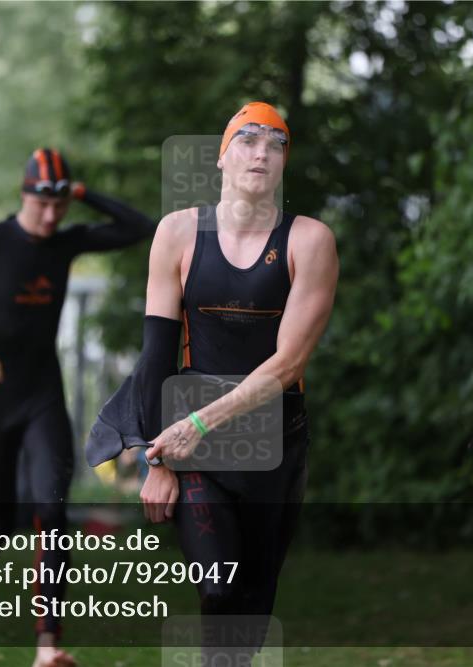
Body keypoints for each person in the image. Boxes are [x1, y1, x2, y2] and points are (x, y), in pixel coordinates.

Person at [0, 148, 155, 667]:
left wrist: (84, 192)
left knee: (51, 510)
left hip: (43, 394)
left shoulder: (65, 243)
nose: (51, 217)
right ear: (23, 194)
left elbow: (139, 226)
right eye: (42, 205)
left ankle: (47, 647)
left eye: (59, 207)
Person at [136, 102, 338, 662]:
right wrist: (157, 459)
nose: (262, 153)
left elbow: (289, 364)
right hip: (194, 446)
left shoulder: (309, 241)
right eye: (248, 140)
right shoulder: (177, 233)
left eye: (277, 145)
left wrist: (199, 422)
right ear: (222, 156)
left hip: (274, 441)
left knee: (250, 607)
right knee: (219, 588)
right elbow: (155, 356)